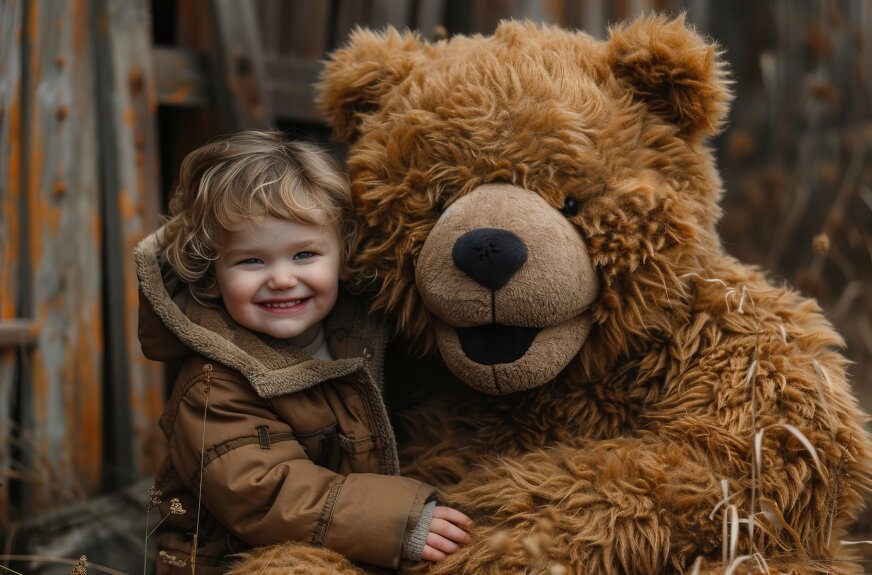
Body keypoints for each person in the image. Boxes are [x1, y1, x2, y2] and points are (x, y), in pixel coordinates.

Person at [134, 130, 471, 574]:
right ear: (211, 275)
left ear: (342, 256)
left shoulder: (365, 333)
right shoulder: (213, 383)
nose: (280, 279)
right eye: (251, 261)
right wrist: (399, 520)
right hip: (236, 560)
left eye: (304, 255)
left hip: (347, 542)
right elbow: (265, 491)